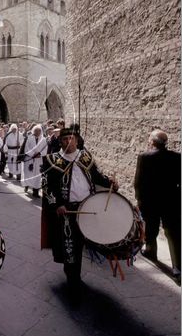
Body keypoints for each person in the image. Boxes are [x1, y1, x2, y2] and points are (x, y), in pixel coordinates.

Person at [41, 125, 118, 300]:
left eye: (72, 139)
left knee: (82, 243)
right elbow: (47, 187)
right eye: (65, 139)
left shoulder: (85, 156)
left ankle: (75, 272)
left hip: (87, 207)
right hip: (67, 209)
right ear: (60, 142)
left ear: (77, 140)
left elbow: (96, 176)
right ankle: (72, 277)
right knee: (70, 244)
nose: (69, 142)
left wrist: (109, 183)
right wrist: (57, 205)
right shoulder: (52, 160)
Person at [134, 129, 181, 279]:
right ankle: (177, 267)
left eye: (149, 139)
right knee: (173, 233)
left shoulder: (144, 157)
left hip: (150, 201)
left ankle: (150, 251)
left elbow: (138, 182)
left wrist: (139, 200)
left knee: (151, 228)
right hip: (171, 202)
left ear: (153, 142)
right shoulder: (177, 157)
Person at [22, 124, 47, 198]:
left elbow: (45, 149)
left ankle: (35, 191)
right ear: (34, 131)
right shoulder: (29, 138)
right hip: (29, 159)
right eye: (36, 130)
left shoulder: (43, 139)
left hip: (38, 160)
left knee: (37, 176)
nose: (38, 132)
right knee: (28, 174)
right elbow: (26, 148)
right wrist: (32, 154)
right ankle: (26, 185)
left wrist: (40, 154)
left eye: (39, 131)